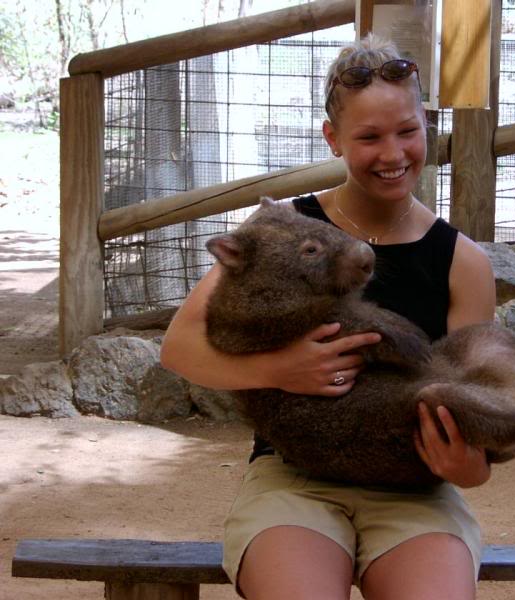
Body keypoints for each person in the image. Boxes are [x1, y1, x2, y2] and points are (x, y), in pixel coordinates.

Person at [160, 34, 496, 600]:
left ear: (428, 127)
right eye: (368, 137)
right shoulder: (283, 227)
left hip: (414, 487)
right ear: (333, 139)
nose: (392, 155)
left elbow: (479, 415)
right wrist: (279, 369)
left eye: (408, 131)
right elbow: (180, 347)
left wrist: (468, 466)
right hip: (294, 475)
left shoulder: (463, 261)